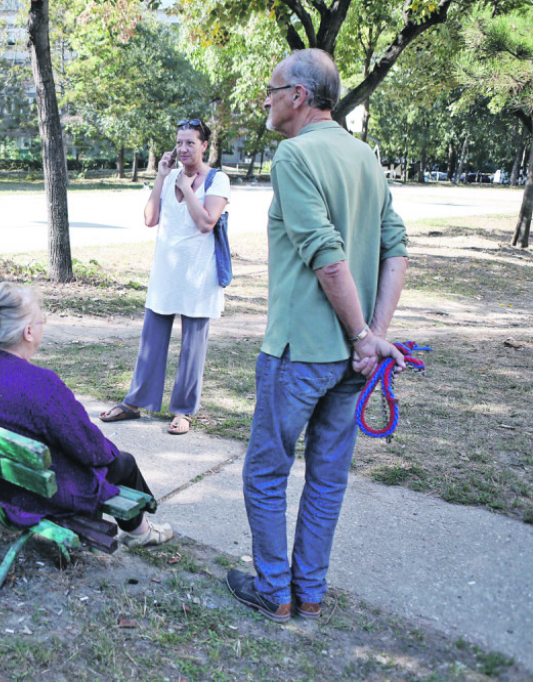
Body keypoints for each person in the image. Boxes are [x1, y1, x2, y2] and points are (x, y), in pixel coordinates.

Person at [226, 49, 409, 622]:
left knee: (265, 470)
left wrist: (362, 335)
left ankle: (275, 591)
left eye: (273, 88)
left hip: (299, 352)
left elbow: (327, 259)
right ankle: (311, 591)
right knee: (327, 477)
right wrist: (375, 336)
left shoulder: (295, 156)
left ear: (300, 96)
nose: (267, 99)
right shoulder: (365, 157)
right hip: (351, 363)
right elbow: (396, 249)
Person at [0, 282, 173, 546]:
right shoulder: (41, 384)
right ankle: (141, 532)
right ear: (28, 332)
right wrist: (110, 453)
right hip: (30, 492)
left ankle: (140, 528)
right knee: (123, 462)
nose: (43, 325)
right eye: (41, 319)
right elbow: (90, 448)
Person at [100, 119, 231, 435]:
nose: (183, 149)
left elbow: (206, 223)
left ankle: (184, 411)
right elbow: (150, 219)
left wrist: (187, 189)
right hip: (166, 272)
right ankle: (134, 403)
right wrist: (161, 176)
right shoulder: (169, 175)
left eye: (190, 142)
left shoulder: (218, 180)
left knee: (193, 346)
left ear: (203, 145)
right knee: (151, 340)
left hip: (199, 276)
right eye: (179, 142)